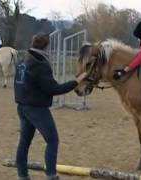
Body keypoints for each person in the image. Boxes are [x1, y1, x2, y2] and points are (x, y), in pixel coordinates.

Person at [14, 33, 87, 180]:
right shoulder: (40, 64)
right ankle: (51, 176)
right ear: (47, 46)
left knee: (24, 142)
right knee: (52, 140)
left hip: (22, 106)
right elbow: (55, 89)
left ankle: (22, 175)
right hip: (36, 108)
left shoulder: (23, 58)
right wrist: (76, 81)